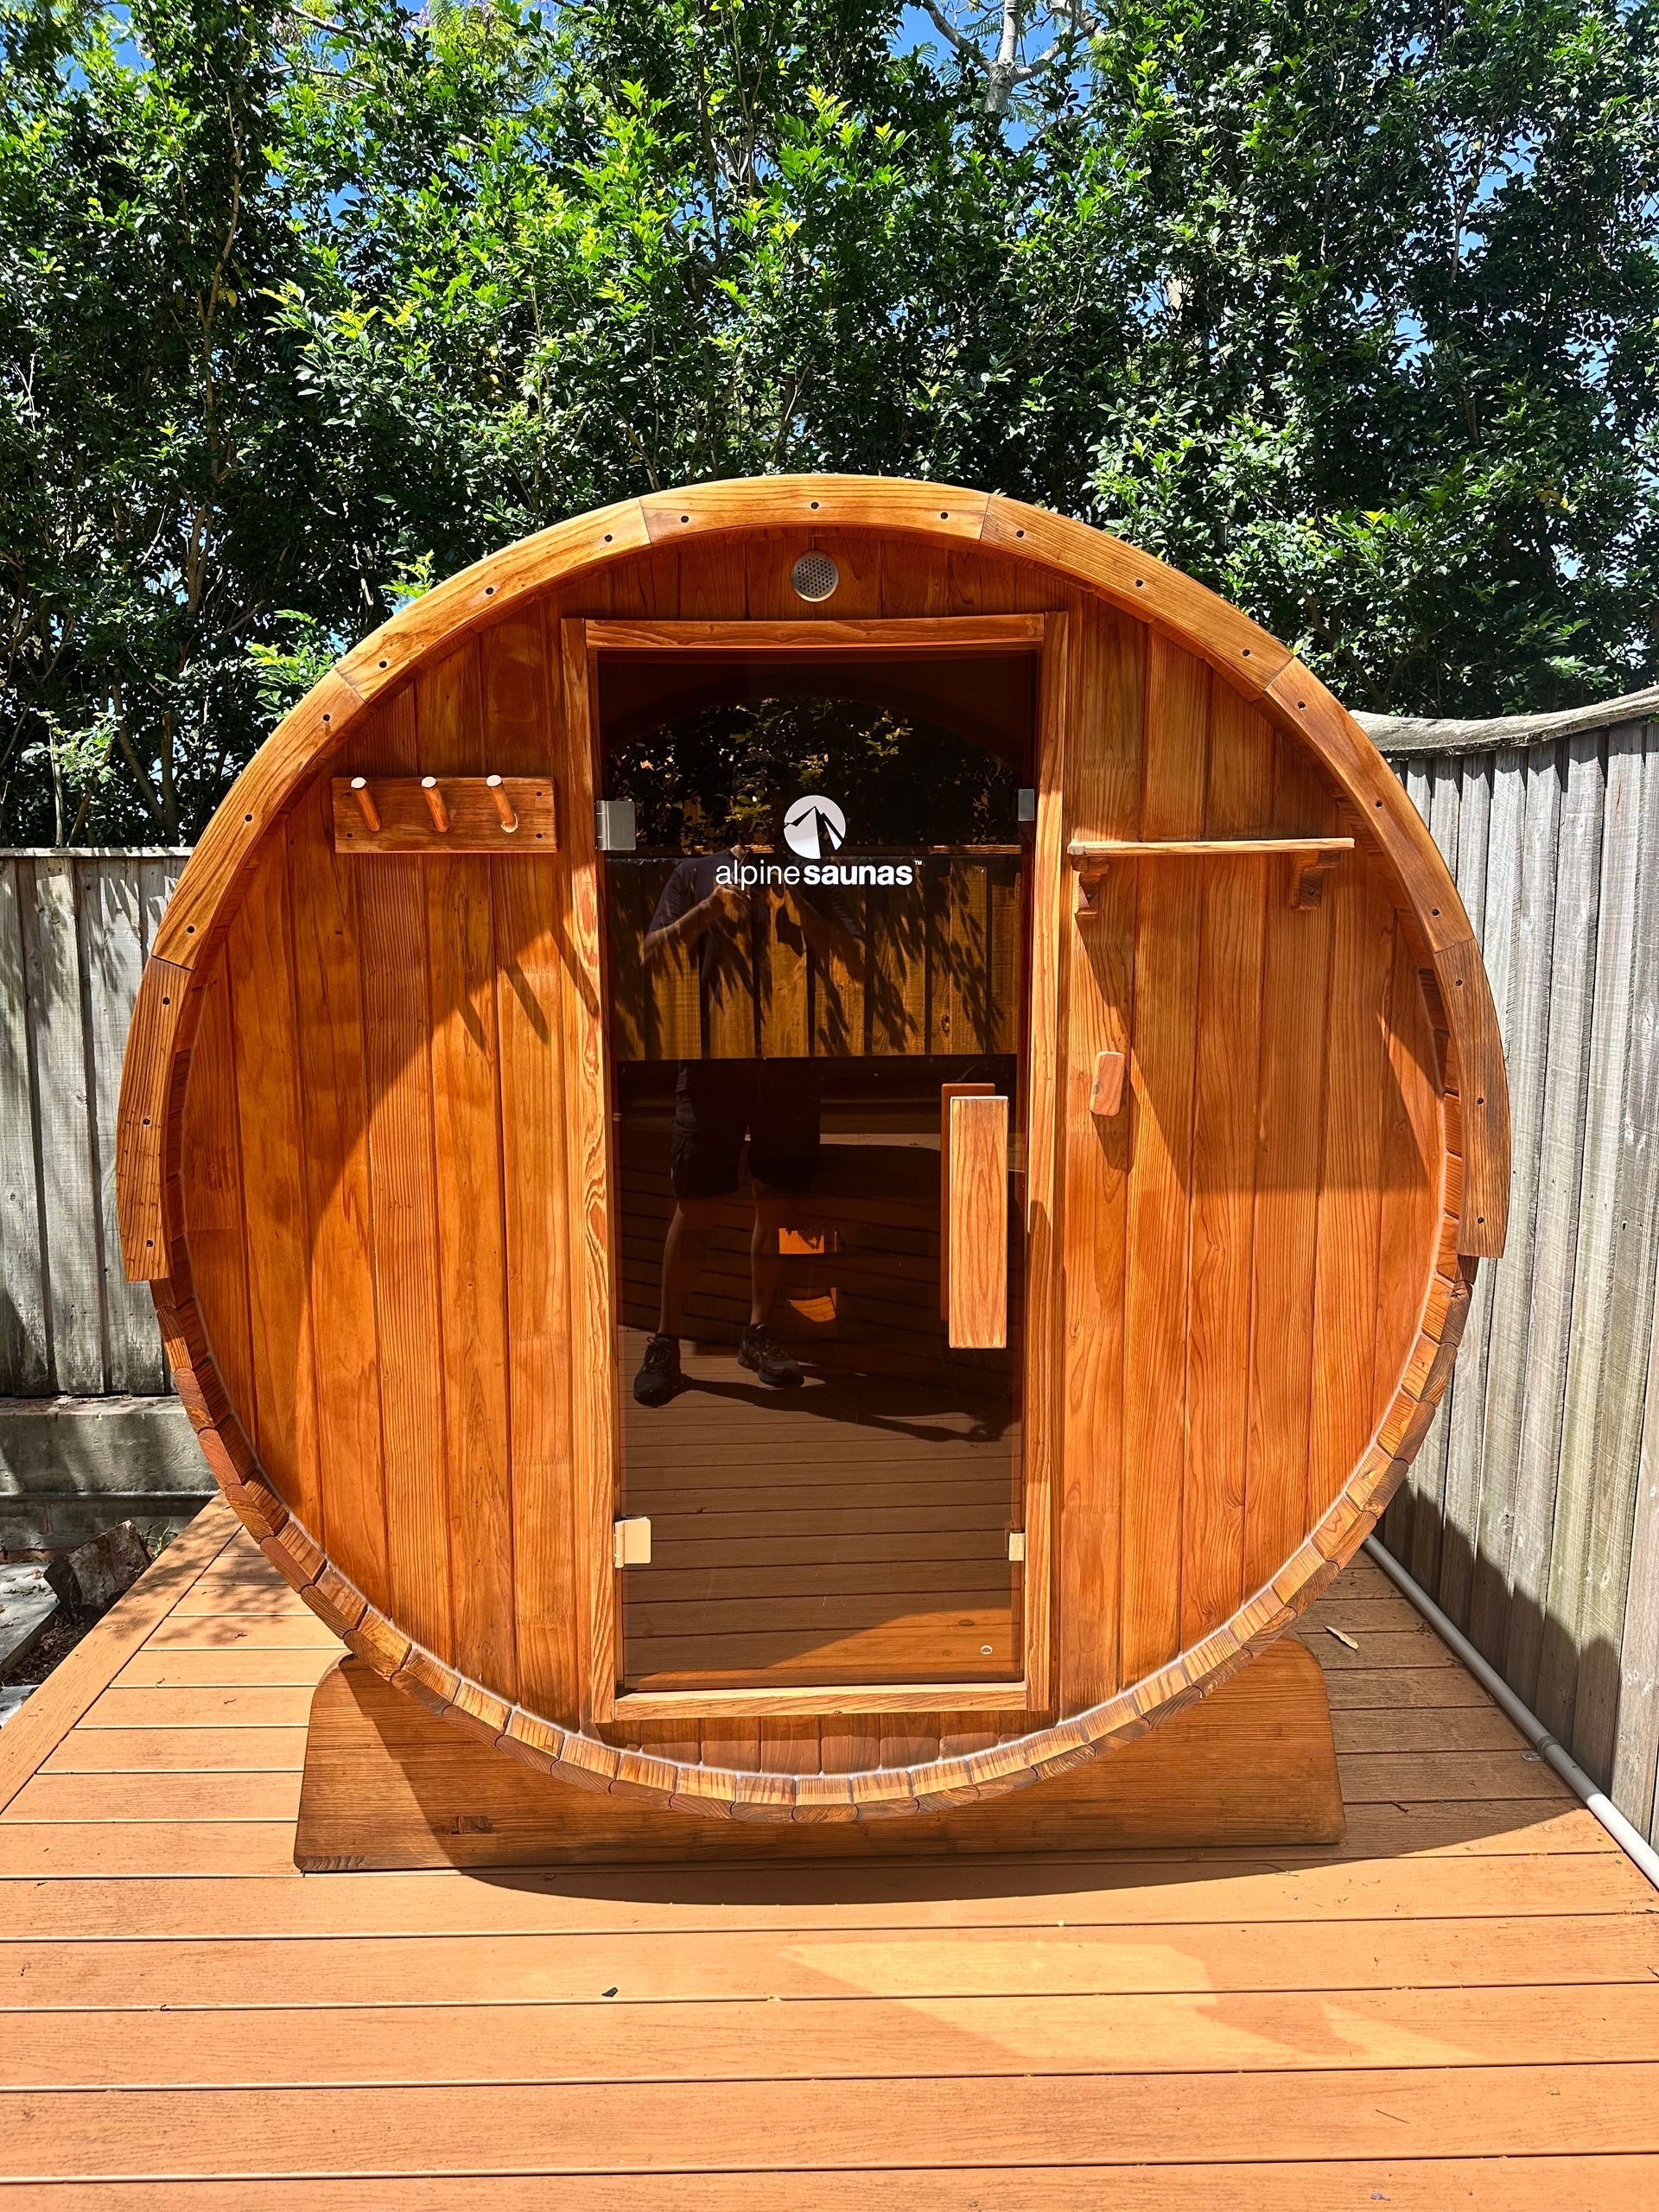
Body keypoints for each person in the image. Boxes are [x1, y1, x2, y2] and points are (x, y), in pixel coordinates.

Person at [632, 808, 865, 1408]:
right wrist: (710, 909)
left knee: (778, 1204)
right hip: (713, 1062)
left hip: (790, 1065)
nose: (763, 833)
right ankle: (665, 1341)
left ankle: (759, 1332)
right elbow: (651, 957)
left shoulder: (813, 877)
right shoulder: (695, 873)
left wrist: (798, 906)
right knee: (697, 1205)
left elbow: (856, 963)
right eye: (753, 816)